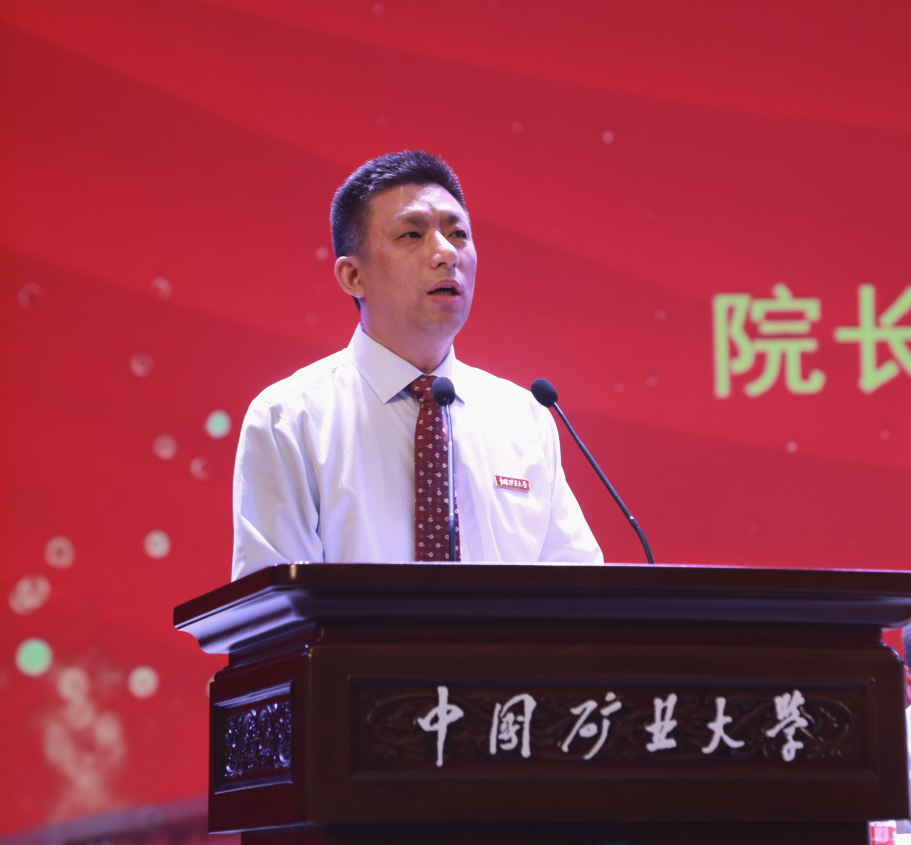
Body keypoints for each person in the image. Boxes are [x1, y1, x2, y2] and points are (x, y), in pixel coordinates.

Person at [231, 150, 602, 579]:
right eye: (412, 234)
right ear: (353, 276)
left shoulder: (525, 418)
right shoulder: (289, 419)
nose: (446, 253)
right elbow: (275, 606)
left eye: (458, 234)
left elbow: (580, 591)